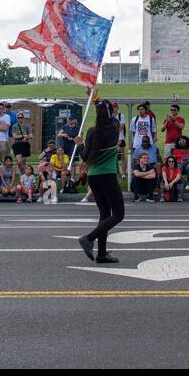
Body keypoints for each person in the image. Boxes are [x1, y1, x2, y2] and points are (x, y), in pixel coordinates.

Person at [77, 100, 124, 264]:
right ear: (110, 112)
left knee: (105, 214)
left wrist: (80, 144)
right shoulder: (114, 127)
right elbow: (112, 115)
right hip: (107, 175)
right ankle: (88, 239)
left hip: (93, 176)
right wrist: (98, 100)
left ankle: (102, 254)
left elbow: (84, 156)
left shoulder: (91, 132)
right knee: (118, 215)